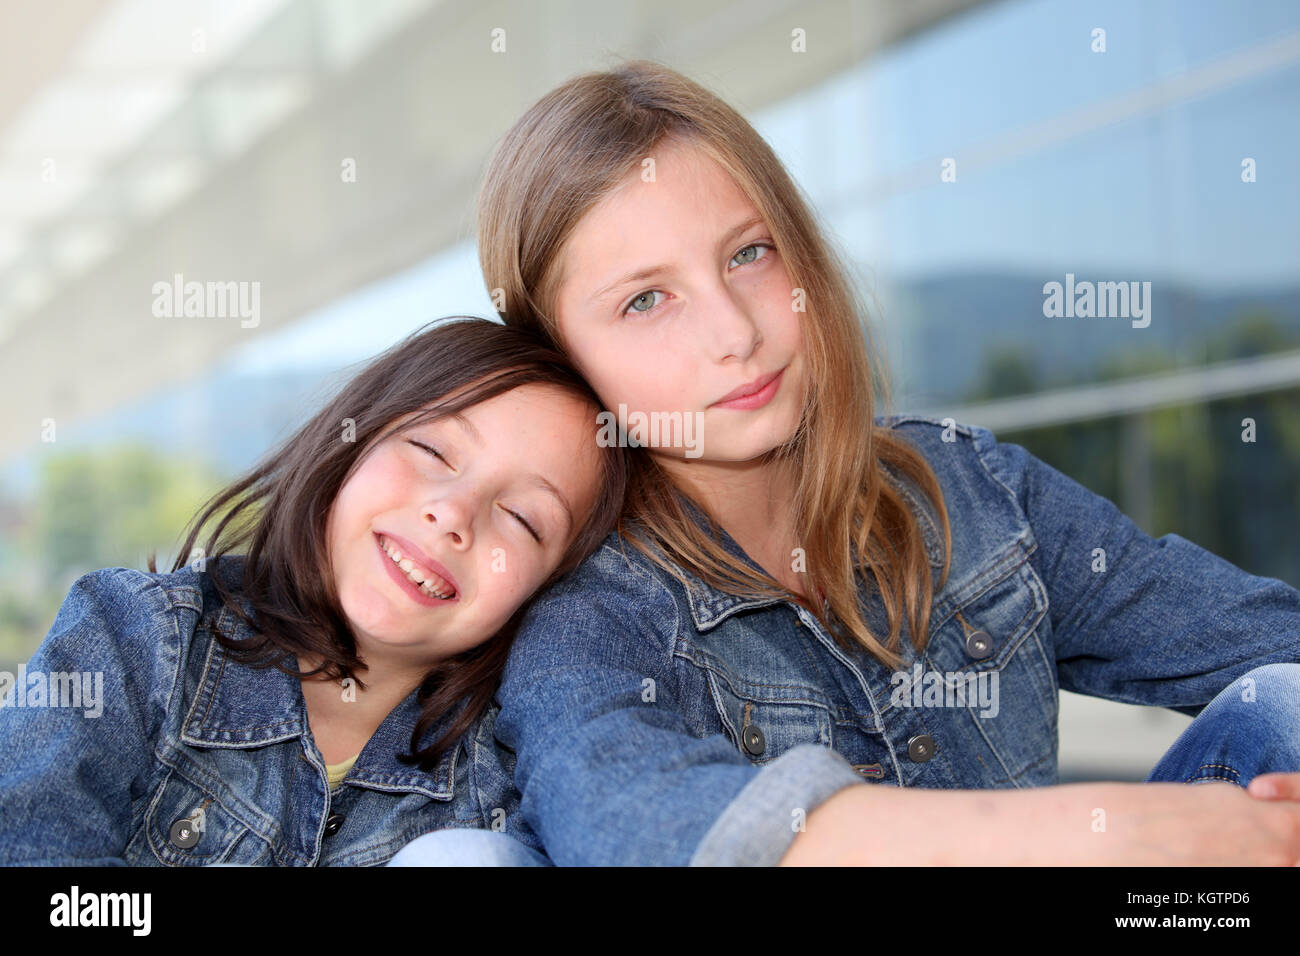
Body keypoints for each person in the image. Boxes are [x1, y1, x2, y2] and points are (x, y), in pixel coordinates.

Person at [393, 60, 1300, 866]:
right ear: (562, 361)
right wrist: (1121, 834)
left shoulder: (969, 490)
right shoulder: (592, 617)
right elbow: (634, 827)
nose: (735, 333)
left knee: (1282, 707)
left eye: (749, 254)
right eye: (645, 302)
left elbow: (1260, 638)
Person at [0, 317, 625, 865]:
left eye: (522, 519)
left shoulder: (502, 798)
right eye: (433, 449)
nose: (454, 515)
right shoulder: (133, 637)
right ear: (349, 444)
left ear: (550, 590)